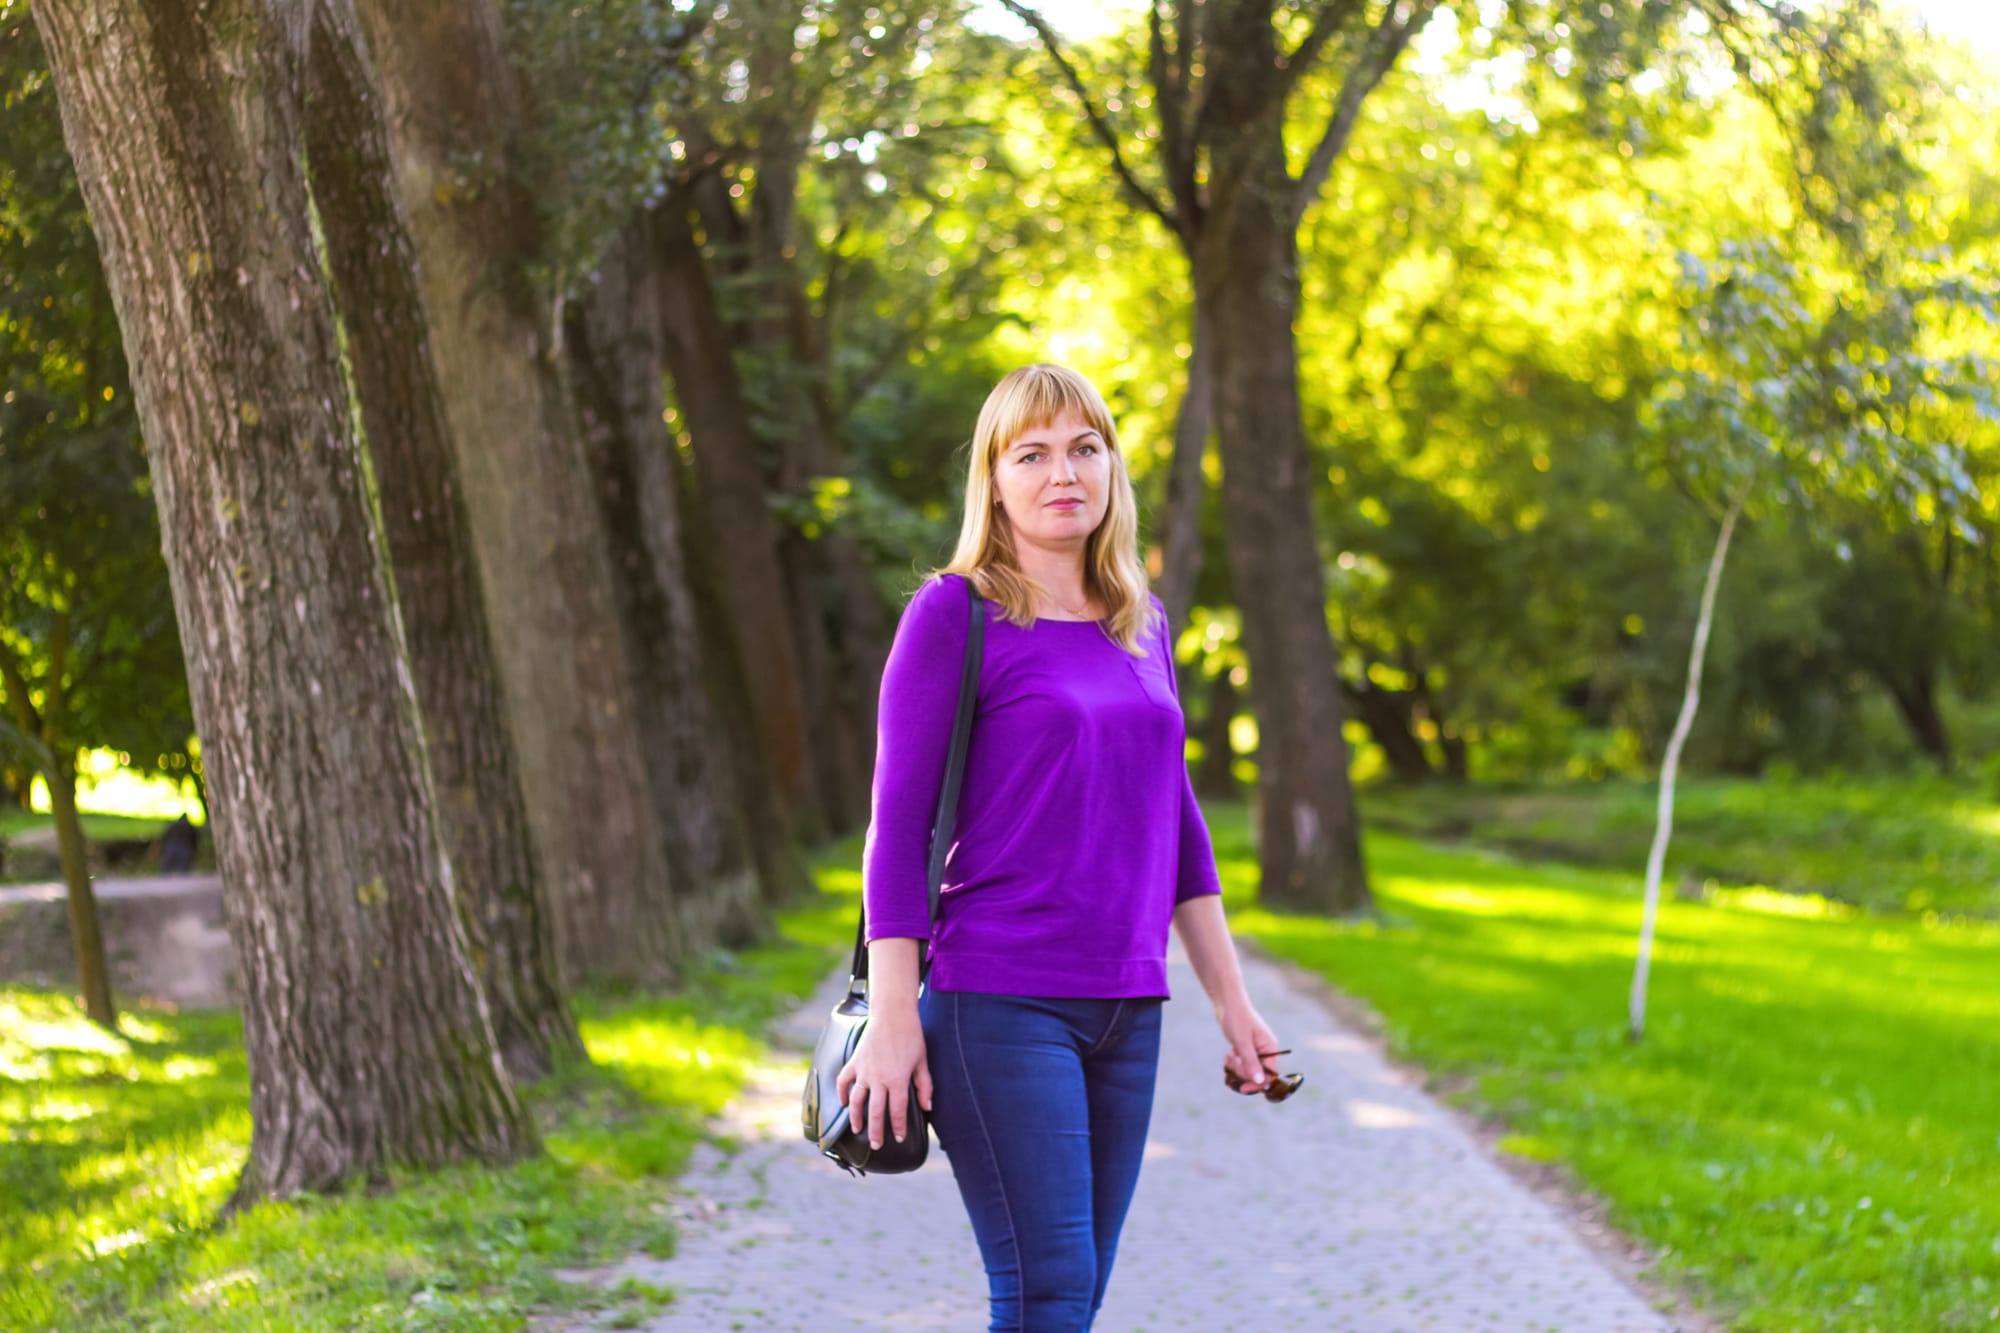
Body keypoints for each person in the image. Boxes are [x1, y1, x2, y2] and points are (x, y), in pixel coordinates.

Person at [838, 363, 1287, 1331]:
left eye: (1084, 448)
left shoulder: (1143, 623)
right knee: (1042, 1294)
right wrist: (891, 1013)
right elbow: (894, 829)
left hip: (1129, 1006)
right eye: (1030, 454)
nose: (1062, 473)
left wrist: (1233, 1002)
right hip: (1000, 999)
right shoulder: (952, 616)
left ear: (1112, 468)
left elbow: (1178, 825)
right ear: (993, 480)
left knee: (1073, 1296)